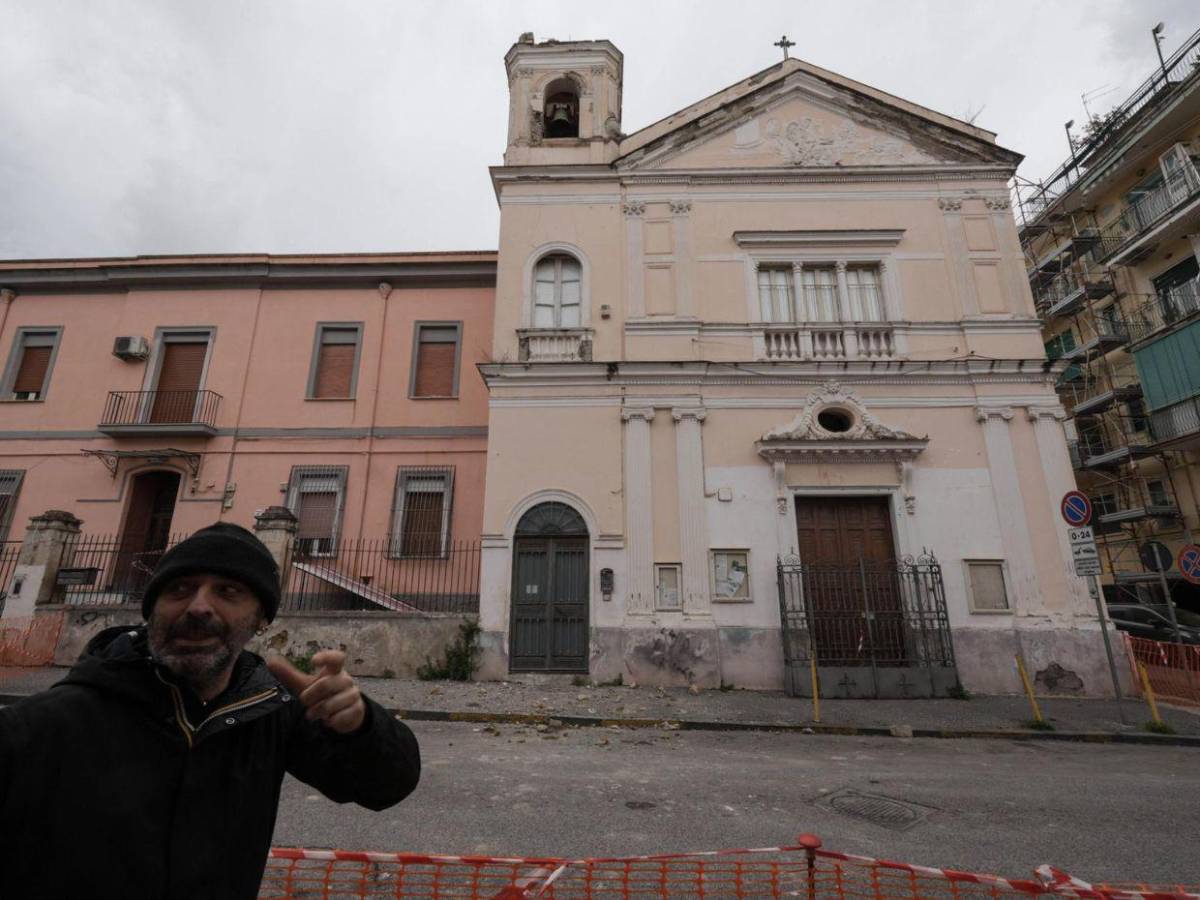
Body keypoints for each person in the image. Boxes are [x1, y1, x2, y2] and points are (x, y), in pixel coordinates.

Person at [0, 522, 421, 899]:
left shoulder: (268, 712)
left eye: (228, 591)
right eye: (179, 588)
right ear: (151, 611)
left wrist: (361, 725)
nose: (199, 606)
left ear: (260, 620)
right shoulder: (45, 724)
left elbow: (385, 785)